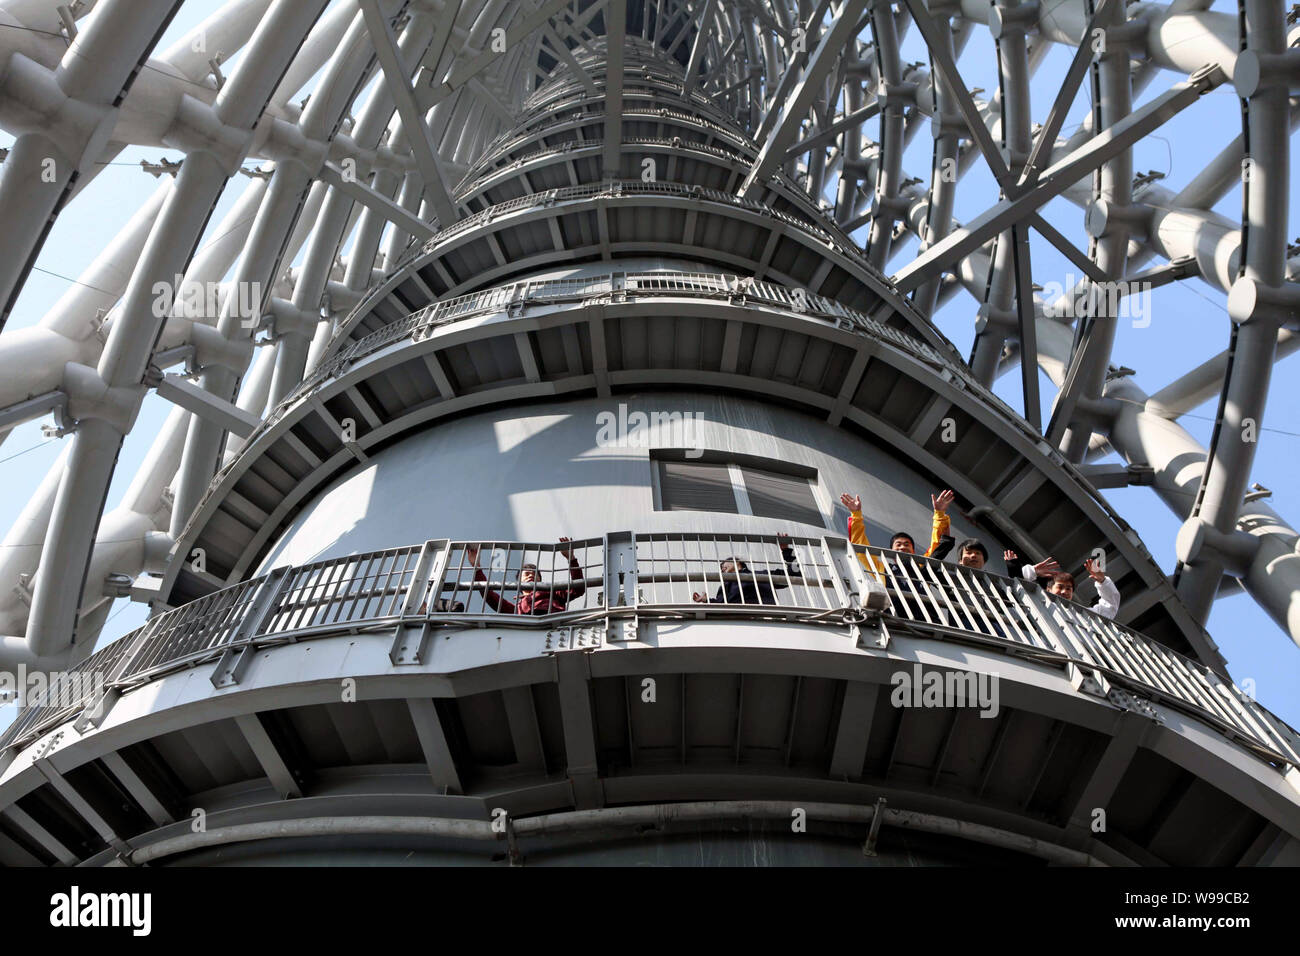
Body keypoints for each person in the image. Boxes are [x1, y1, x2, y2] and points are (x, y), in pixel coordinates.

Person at [839, 490, 956, 583]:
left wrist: (939, 514)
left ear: (913, 551)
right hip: (889, 611)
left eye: (907, 544)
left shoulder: (921, 566)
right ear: (892, 551)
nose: (902, 547)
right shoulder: (881, 569)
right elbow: (861, 547)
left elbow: (937, 545)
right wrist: (856, 515)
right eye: (898, 544)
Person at [468, 537, 587, 615]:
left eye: (535, 573)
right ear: (519, 582)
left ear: (540, 580)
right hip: (527, 625)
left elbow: (578, 588)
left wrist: (571, 558)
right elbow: (490, 596)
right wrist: (477, 567)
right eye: (526, 573)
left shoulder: (553, 594)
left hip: (554, 620)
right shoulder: (518, 608)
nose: (531, 574)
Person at [1004, 550, 1121, 620]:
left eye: (1069, 589)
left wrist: (1103, 581)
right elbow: (1016, 592)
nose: (1064, 591)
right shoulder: (1038, 605)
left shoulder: (1081, 614)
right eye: (1060, 587)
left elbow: (1110, 609)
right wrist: (1026, 572)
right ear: (1048, 589)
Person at [692, 533, 799, 605]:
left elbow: (794, 575)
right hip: (737, 622)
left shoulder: (762, 575)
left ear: (736, 561)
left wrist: (786, 550)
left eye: (723, 564)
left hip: (766, 617)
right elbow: (721, 605)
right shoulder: (725, 586)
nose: (722, 568)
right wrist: (706, 600)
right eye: (720, 568)